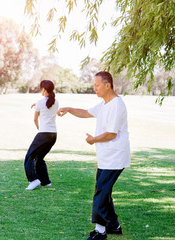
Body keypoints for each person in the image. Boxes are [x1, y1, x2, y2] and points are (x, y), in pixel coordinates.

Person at [57, 71, 130, 240]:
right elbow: (86, 113)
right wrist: (69, 109)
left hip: (115, 157)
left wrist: (93, 140)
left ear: (107, 85)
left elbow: (111, 134)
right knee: (103, 191)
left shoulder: (117, 105)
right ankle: (114, 226)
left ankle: (100, 231)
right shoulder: (104, 104)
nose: (94, 88)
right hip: (106, 157)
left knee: (101, 193)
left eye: (97, 85)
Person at [24, 80, 59, 190]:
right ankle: (45, 181)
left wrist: (40, 129)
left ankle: (33, 180)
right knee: (39, 158)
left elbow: (35, 119)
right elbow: (47, 103)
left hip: (44, 134)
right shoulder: (56, 101)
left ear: (43, 89)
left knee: (29, 157)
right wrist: (37, 104)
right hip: (53, 135)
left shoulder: (40, 102)